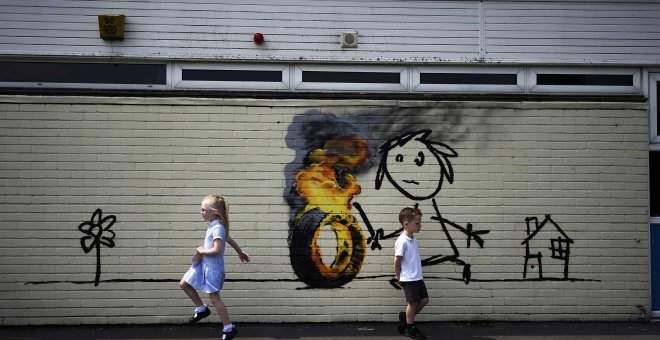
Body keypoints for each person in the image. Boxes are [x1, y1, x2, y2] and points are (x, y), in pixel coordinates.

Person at [180, 195, 250, 340]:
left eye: (203, 210)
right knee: (184, 284)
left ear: (214, 212)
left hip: (212, 268)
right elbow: (229, 238)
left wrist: (202, 250)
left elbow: (217, 249)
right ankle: (201, 309)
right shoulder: (215, 225)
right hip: (203, 265)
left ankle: (228, 328)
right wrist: (239, 251)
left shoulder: (218, 227)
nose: (201, 212)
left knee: (214, 298)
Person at [394, 207, 428, 339]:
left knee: (424, 300)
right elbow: (397, 261)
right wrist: (399, 277)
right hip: (408, 278)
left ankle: (405, 317)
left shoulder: (413, 239)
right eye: (417, 223)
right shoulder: (402, 241)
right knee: (412, 303)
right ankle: (409, 327)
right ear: (406, 224)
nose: (420, 225)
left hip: (417, 277)